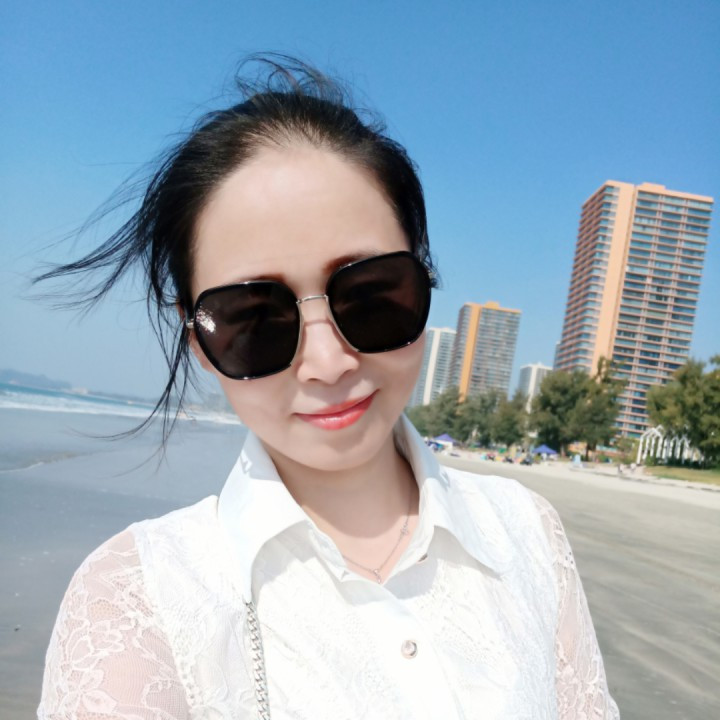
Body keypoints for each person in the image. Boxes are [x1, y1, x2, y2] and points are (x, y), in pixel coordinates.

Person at [37, 56, 620, 719]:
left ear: (423, 280)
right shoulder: (135, 600)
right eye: (255, 320)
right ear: (197, 340)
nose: (327, 362)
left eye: (369, 296)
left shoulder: (526, 533)